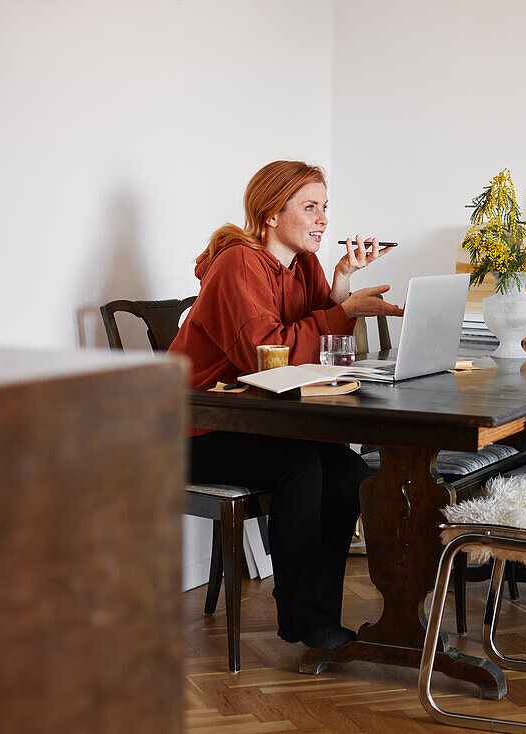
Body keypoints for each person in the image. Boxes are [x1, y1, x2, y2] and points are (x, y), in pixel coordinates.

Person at [168, 160, 403, 651]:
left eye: (325, 208)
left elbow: (317, 338)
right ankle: (303, 620)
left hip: (248, 421)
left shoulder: (304, 266)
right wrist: (344, 311)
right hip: (191, 430)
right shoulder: (238, 264)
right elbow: (265, 354)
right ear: (272, 214)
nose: (322, 219)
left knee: (349, 473)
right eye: (310, 207)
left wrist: (340, 284)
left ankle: (322, 613)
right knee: (300, 468)